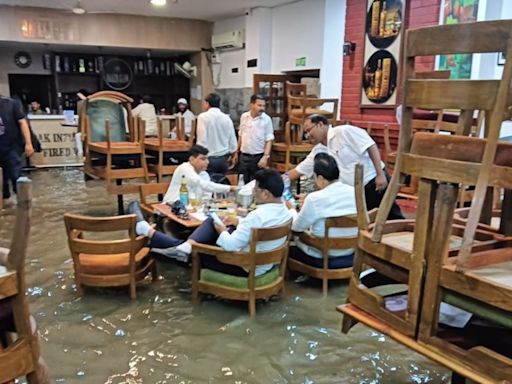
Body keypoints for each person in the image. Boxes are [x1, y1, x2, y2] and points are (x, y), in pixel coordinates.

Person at [128, 169, 292, 275]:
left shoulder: (257, 216)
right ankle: (181, 246)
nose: (254, 194)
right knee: (212, 222)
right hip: (264, 264)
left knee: (197, 250)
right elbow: (256, 229)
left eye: (255, 191)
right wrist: (237, 221)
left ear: (265, 194)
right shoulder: (286, 212)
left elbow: (230, 245)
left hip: (243, 266)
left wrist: (222, 229)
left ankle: (153, 235)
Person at [288, 114, 403, 220]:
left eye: (309, 130)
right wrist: (277, 181)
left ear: (320, 125)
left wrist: (380, 174)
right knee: (368, 222)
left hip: (373, 181)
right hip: (354, 191)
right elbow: (299, 170)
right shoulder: (318, 150)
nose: (308, 136)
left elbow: (370, 145)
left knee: (390, 216)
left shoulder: (344, 131)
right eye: (305, 133)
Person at [289, 153, 357, 268]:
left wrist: (291, 210)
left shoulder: (314, 199)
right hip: (350, 251)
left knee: (291, 242)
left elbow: (296, 228)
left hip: (322, 255)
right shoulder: (354, 192)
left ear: (320, 178)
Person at [162, 145, 236, 204]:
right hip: (172, 205)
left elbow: (207, 195)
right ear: (192, 159)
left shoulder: (204, 174)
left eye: (207, 159)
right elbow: (203, 184)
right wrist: (230, 188)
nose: (207, 162)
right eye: (203, 159)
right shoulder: (184, 168)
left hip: (192, 209)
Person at [196, 93, 237, 183]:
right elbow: (233, 142)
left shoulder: (203, 117)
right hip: (223, 159)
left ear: (207, 103)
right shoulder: (227, 118)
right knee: (221, 186)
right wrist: (233, 155)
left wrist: (198, 157)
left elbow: (201, 140)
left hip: (208, 159)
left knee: (208, 187)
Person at [0, 95, 34, 206]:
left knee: (16, 176)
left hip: (12, 147)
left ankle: (25, 204)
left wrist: (29, 143)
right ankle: (5, 205)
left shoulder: (11, 104)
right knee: (2, 181)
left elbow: (23, 123)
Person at [233, 94, 274, 182]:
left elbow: (269, 139)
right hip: (244, 157)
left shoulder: (266, 119)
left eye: (263, 106)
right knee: (242, 182)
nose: (262, 108)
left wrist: (265, 157)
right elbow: (241, 134)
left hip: (258, 157)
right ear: (252, 105)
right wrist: (236, 152)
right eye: (259, 105)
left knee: (258, 184)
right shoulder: (244, 117)